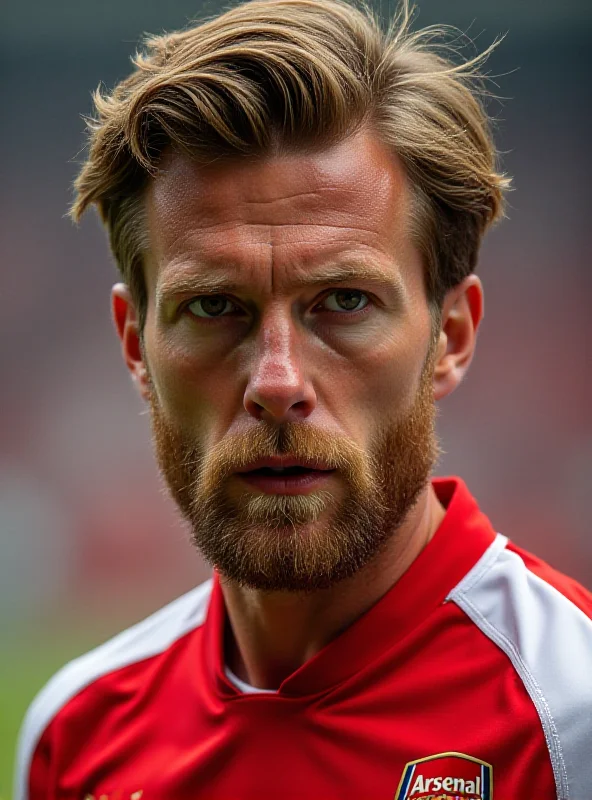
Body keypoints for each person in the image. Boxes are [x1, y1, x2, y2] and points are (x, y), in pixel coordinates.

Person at [14, 0, 592, 798]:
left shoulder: (574, 716)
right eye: (215, 307)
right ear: (133, 344)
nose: (277, 381)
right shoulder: (73, 736)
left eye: (345, 301)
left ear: (451, 335)